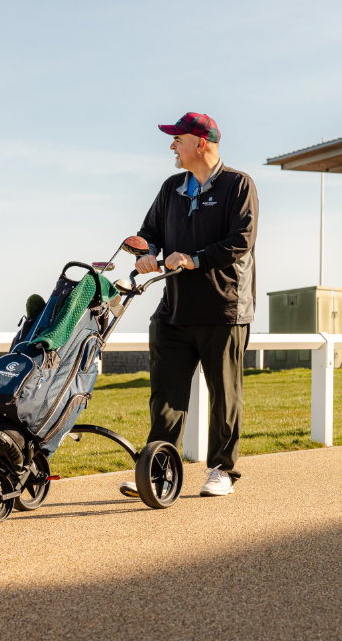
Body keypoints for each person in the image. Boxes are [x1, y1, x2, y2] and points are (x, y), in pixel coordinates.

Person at [119, 112, 258, 498]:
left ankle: (221, 471)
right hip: (174, 311)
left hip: (224, 310)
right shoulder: (171, 188)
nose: (171, 147)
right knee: (165, 395)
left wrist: (193, 259)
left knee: (224, 395)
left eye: (177, 139)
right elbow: (149, 233)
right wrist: (146, 253)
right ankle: (157, 468)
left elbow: (240, 241)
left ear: (200, 143)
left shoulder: (238, 185)